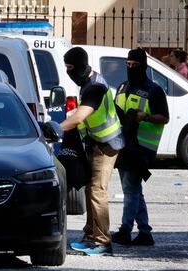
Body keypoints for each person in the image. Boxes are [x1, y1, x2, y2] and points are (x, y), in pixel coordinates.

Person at [61, 46, 125, 255]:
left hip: (107, 145)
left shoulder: (95, 87)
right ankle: (90, 235)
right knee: (90, 190)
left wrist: (55, 128)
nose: (68, 72)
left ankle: (103, 241)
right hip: (96, 143)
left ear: (80, 66)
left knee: (98, 191)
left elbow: (80, 116)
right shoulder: (88, 82)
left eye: (70, 67)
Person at [111, 48, 169, 246]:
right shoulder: (121, 87)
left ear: (143, 66)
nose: (131, 68)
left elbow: (164, 118)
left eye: (135, 65)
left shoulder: (154, 90)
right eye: (128, 65)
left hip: (142, 147)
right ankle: (145, 232)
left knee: (130, 189)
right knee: (135, 190)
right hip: (123, 144)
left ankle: (125, 230)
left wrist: (145, 117)